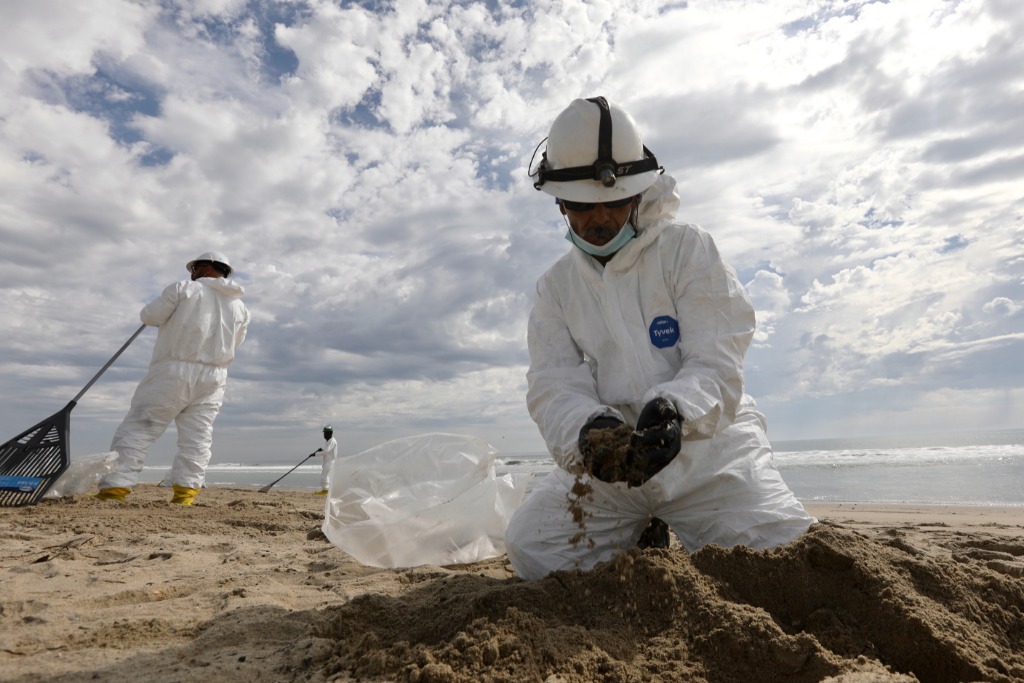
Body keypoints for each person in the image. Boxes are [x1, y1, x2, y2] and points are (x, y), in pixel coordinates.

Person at [505, 97, 815, 580]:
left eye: (615, 200)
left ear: (638, 194)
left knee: (791, 560)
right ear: (561, 202)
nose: (600, 218)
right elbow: (553, 384)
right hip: (611, 469)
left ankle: (678, 524)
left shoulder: (687, 249)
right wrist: (588, 430)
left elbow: (717, 358)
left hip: (706, 453)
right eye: (584, 206)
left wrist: (674, 409)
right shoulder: (557, 287)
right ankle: (642, 532)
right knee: (531, 548)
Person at [97, 251, 251, 506]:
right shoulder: (241, 308)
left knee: (140, 427)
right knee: (198, 436)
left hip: (174, 370)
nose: (191, 274)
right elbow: (237, 342)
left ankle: (115, 489)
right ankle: (185, 494)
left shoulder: (183, 289)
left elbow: (149, 316)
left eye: (194, 269)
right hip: (215, 377)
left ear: (205, 268)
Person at [316, 424, 338, 495]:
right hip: (327, 462)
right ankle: (325, 490)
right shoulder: (328, 441)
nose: (324, 435)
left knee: (325, 476)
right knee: (325, 475)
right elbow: (325, 450)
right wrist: (320, 450)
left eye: (325, 433)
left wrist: (315, 454)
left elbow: (326, 451)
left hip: (330, 462)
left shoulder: (332, 441)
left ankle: (325, 490)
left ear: (329, 433)